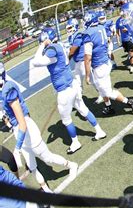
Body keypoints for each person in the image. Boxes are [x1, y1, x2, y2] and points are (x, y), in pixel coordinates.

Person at [0, 62, 78, 194]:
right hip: (17, 129)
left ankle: (71, 165)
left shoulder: (8, 90)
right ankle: (46, 189)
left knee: (47, 157)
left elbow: (22, 122)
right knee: (32, 165)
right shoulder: (3, 90)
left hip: (26, 129)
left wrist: (17, 148)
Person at [32, 28, 106, 153]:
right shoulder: (59, 45)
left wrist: (41, 45)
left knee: (66, 120)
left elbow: (36, 62)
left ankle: (75, 142)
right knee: (83, 109)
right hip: (72, 84)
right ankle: (99, 131)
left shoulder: (52, 49)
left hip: (64, 89)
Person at [83, 11, 133, 116]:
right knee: (102, 88)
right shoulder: (101, 28)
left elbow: (87, 57)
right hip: (105, 61)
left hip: (99, 65)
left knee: (107, 91)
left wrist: (87, 76)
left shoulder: (88, 34)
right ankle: (108, 106)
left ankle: (130, 102)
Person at [116, 2, 133, 74]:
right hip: (124, 40)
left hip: (130, 39)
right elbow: (117, 31)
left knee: (130, 53)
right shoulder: (118, 21)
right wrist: (118, 40)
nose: (121, 12)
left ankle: (132, 66)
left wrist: (127, 30)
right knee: (130, 53)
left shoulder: (129, 19)